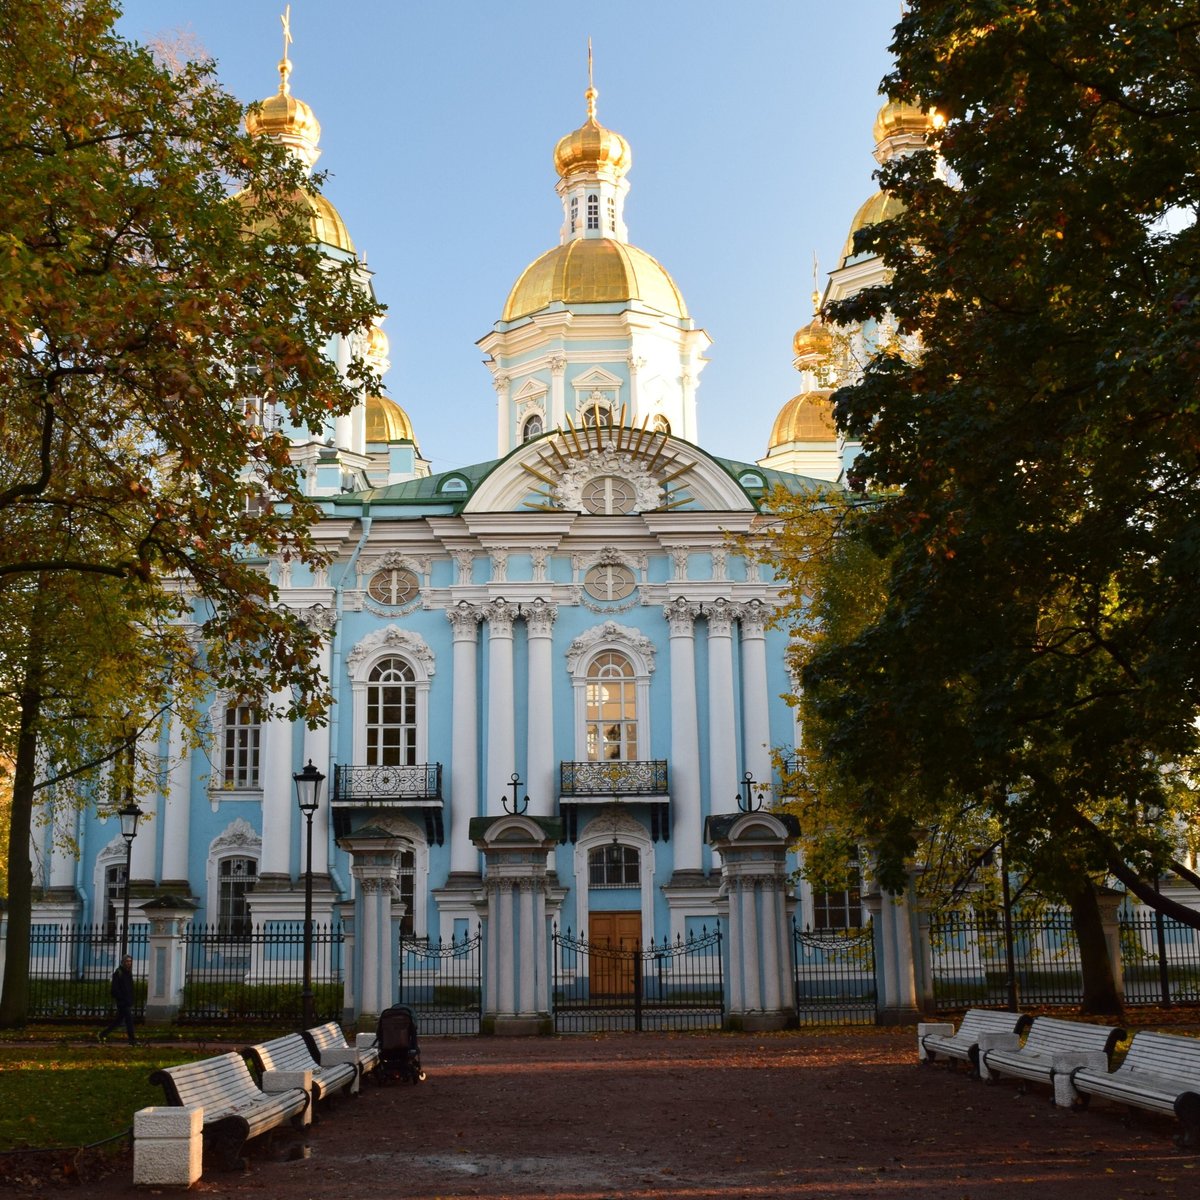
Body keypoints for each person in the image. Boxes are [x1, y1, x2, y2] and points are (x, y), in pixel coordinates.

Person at [98, 954, 137, 1045]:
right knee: (129, 1021)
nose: (129, 963)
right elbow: (114, 990)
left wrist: (130, 999)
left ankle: (102, 1034)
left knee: (118, 1021)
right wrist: (122, 999)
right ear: (123, 962)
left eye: (130, 961)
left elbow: (130, 988)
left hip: (127, 1001)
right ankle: (132, 1041)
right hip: (122, 1003)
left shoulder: (128, 973)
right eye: (127, 961)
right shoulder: (118, 973)